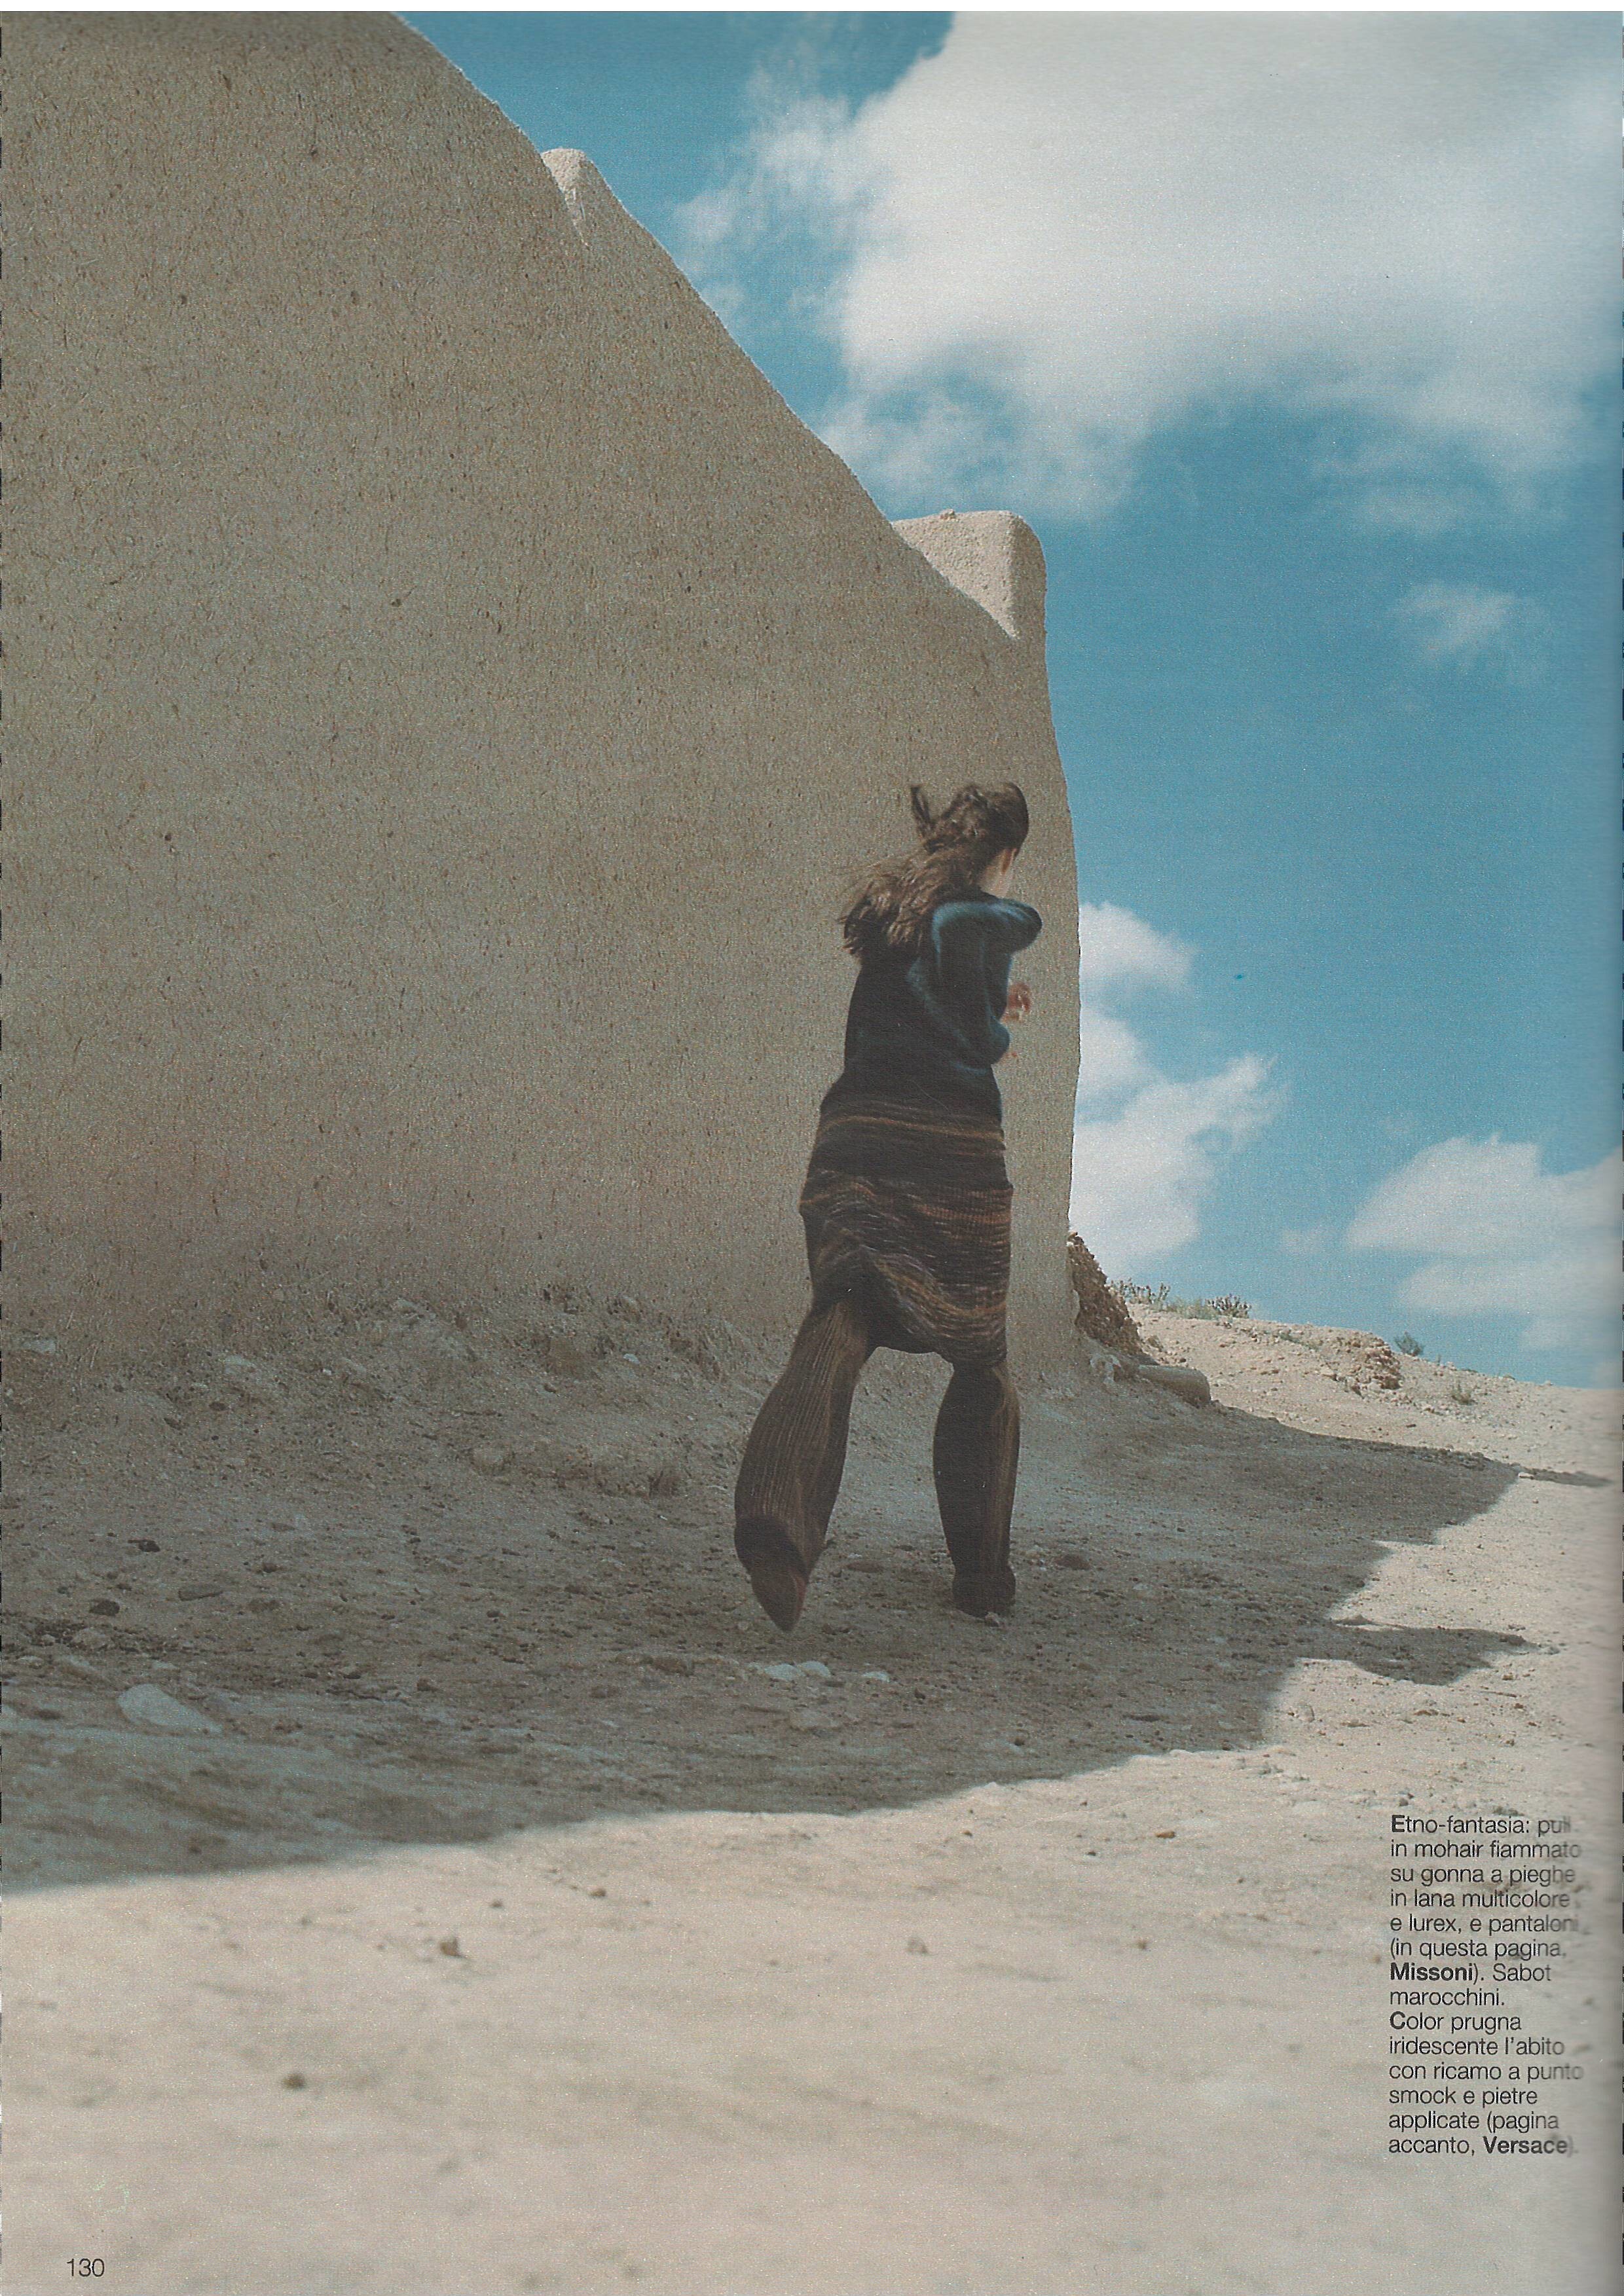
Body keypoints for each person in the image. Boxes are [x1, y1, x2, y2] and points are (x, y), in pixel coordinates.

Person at [733, 782, 1043, 1631]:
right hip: (948, 1154)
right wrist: (995, 1025)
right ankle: (982, 1578)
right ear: (1005, 857)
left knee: (845, 1315)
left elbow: (927, 1000)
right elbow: (968, 1025)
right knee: (980, 1357)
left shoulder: (892, 918)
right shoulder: (978, 915)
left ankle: (778, 1519)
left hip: (855, 1139)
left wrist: (991, 1000)